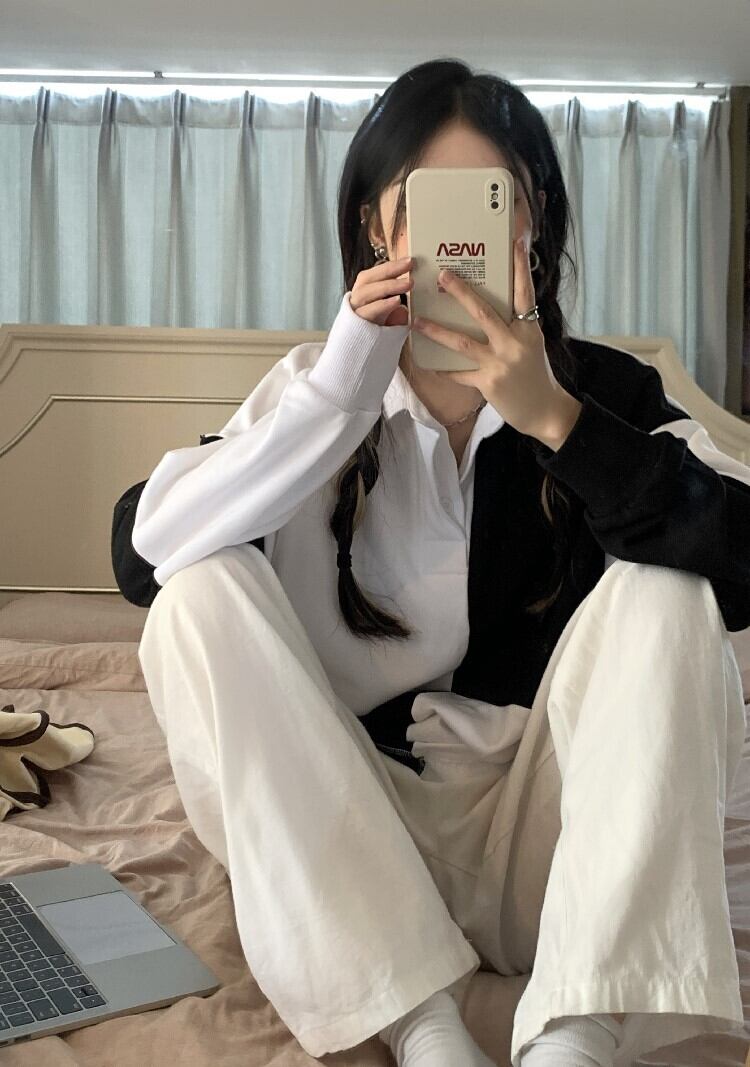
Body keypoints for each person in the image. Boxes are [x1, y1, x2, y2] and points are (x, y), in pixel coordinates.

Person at [117, 58, 750, 1067]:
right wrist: (337, 398)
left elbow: (742, 550)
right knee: (195, 594)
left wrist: (561, 422)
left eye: (492, 202)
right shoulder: (316, 393)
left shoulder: (610, 395)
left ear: (531, 222)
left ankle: (579, 1027)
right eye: (426, 208)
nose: (460, 241)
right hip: (363, 854)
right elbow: (145, 550)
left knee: (671, 584)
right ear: (377, 227)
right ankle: (419, 1019)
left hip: (565, 846)